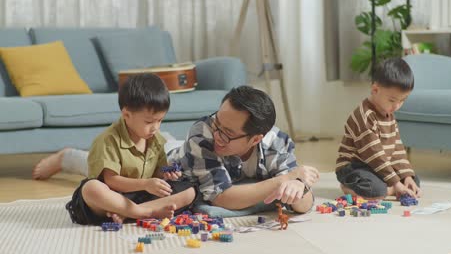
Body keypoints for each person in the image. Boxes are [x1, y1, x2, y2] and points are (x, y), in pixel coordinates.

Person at [34, 86, 318, 213]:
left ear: (256, 138)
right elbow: (221, 198)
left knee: (163, 137)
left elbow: (304, 202)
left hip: (174, 147)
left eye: (228, 134)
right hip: (170, 162)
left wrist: (299, 186)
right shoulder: (203, 132)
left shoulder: (275, 142)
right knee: (112, 167)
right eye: (217, 121)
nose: (217, 134)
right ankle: (68, 156)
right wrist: (284, 179)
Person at [65, 73, 196, 225]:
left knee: (191, 191)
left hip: (140, 197)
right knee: (91, 188)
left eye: (160, 120)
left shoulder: (156, 140)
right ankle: (143, 212)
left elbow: (157, 174)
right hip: (110, 199)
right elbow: (111, 181)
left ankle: (127, 213)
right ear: (126, 114)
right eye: (149, 121)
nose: (156, 127)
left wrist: (167, 174)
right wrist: (146, 184)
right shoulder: (107, 140)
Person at [336, 57, 422, 200]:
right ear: (375, 89)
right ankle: (350, 187)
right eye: (392, 100)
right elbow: (375, 155)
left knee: (413, 179)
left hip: (377, 167)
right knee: (376, 190)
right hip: (354, 167)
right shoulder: (364, 116)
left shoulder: (389, 113)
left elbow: (397, 149)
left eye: (402, 100)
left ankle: (390, 187)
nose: (397, 106)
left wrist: (406, 177)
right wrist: (396, 184)